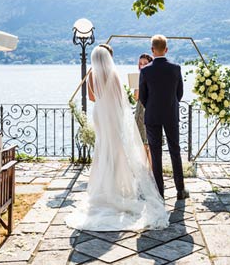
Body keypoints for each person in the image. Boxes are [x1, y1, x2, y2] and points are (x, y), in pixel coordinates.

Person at [65, 45, 168, 231]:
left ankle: (102, 188)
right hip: (112, 115)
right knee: (116, 149)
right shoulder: (114, 74)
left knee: (102, 148)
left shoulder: (92, 75)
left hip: (99, 115)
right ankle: (120, 187)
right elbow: (121, 98)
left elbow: (92, 98)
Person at [139, 34, 189, 200]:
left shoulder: (145, 70)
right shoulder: (175, 68)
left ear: (152, 50)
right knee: (175, 151)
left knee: (156, 153)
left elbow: (143, 97)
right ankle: (180, 190)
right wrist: (170, 106)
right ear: (166, 49)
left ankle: (159, 192)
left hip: (152, 115)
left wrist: (152, 107)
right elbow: (179, 94)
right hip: (170, 114)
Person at [134, 53, 153, 167]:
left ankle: (152, 173)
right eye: (140, 64)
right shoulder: (138, 77)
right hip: (140, 111)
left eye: (145, 63)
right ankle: (145, 173)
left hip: (150, 111)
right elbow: (136, 97)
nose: (142, 66)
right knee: (142, 144)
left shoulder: (154, 77)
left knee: (150, 144)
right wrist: (138, 85)